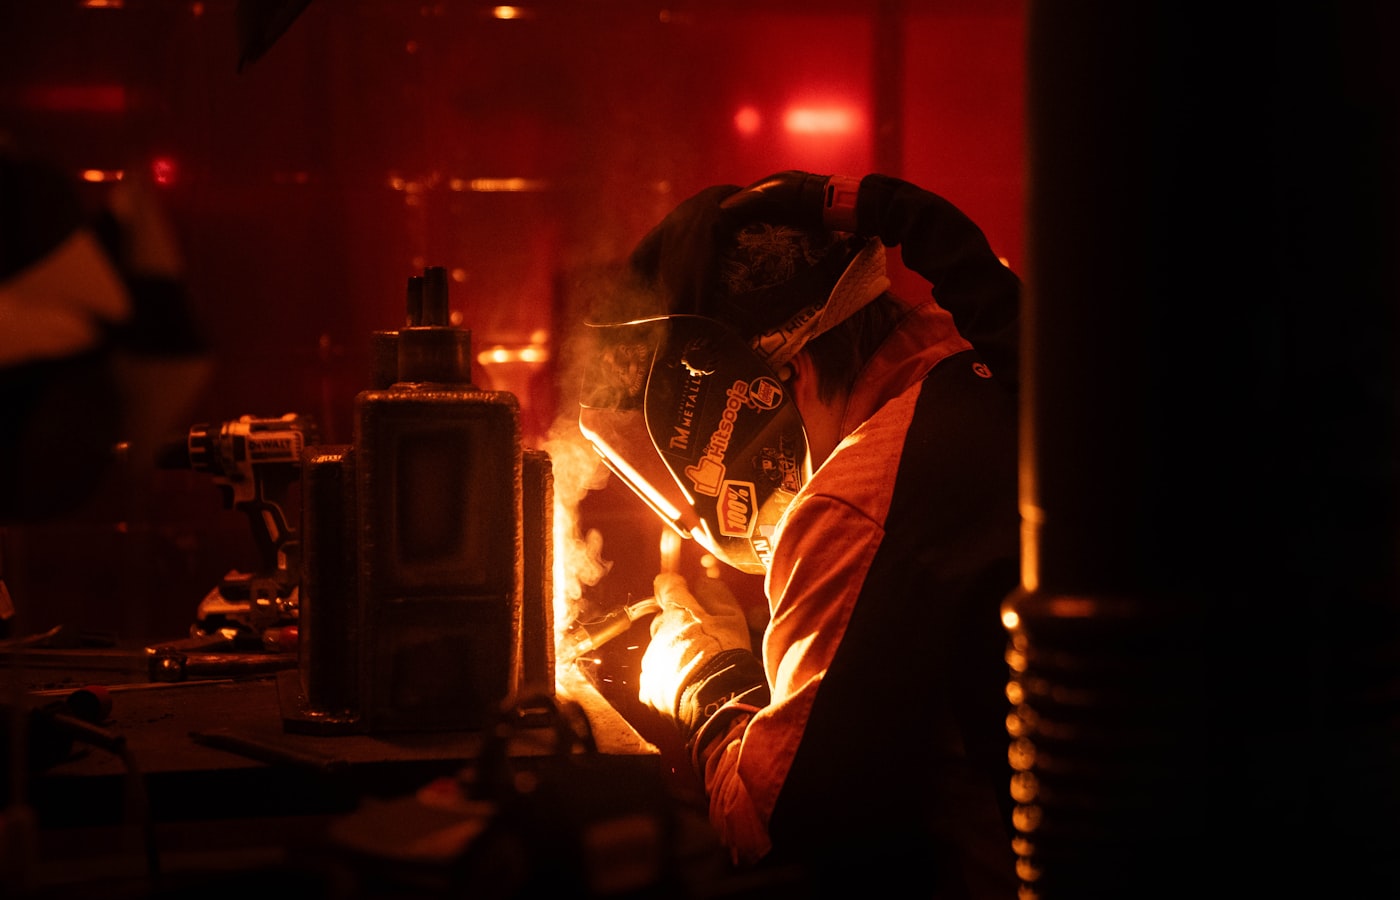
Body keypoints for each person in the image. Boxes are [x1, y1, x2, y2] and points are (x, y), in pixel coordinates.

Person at [576, 170, 1022, 896]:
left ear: (769, 383)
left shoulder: (859, 499)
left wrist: (705, 674)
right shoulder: (970, 365)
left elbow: (773, 822)